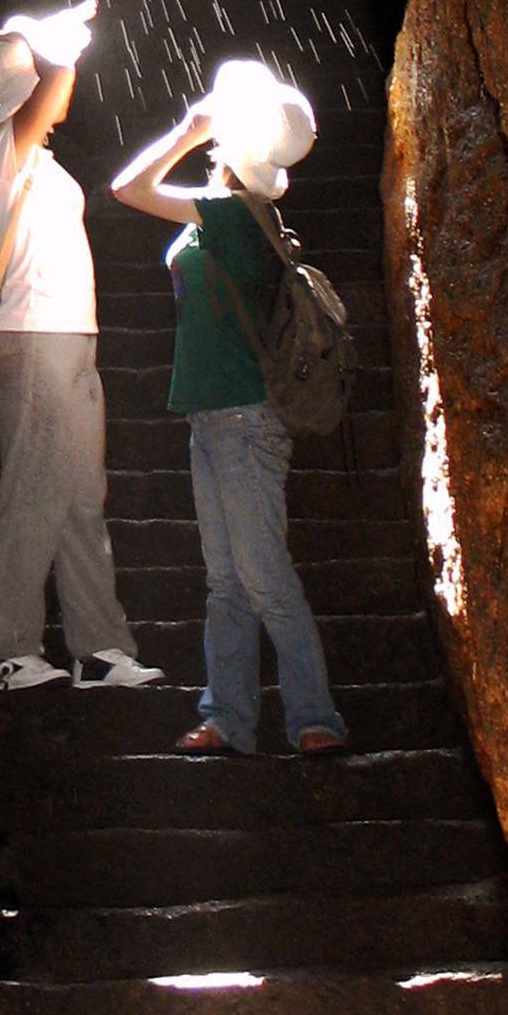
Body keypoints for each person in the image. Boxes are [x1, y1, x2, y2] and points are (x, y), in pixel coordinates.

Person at [111, 58, 347, 756]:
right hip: (214, 416)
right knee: (227, 582)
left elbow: (129, 188)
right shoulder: (236, 211)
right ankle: (230, 718)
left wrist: (188, 128)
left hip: (243, 419)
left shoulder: (234, 214)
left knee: (262, 578)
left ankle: (314, 719)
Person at [0, 0, 163, 696]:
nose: (61, 87)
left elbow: (55, 91)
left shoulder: (38, 159)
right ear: (19, 86)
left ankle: (99, 648)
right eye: (41, 76)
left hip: (71, 339)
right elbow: (53, 89)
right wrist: (63, 44)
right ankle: (13, 650)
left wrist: (59, 43)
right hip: (32, 339)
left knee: (82, 497)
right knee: (32, 493)